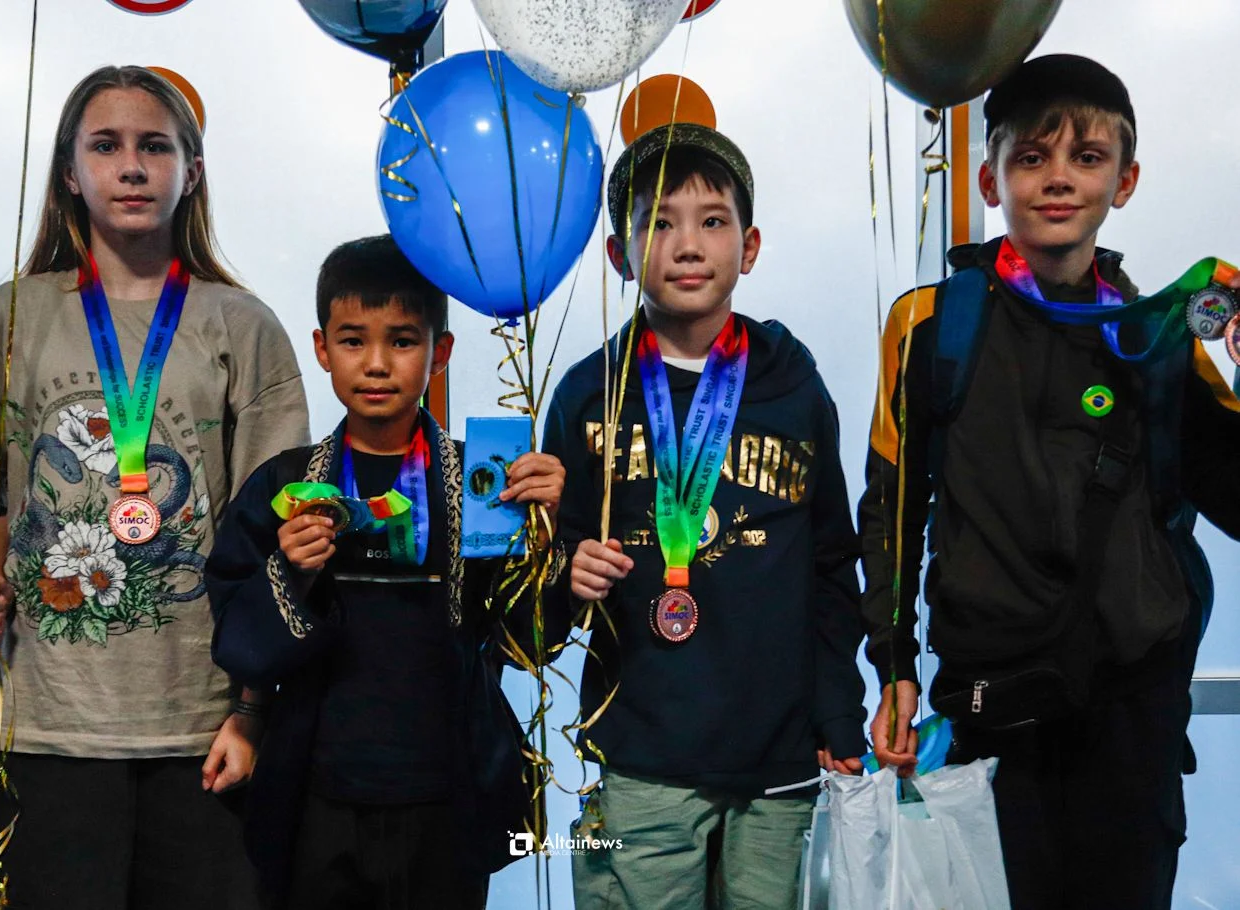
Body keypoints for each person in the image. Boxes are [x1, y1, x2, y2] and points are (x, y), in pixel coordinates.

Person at [859, 54, 1240, 909]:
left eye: (1087, 158)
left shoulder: (1159, 337)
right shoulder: (933, 325)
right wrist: (893, 663)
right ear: (990, 179)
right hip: (992, 709)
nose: (1058, 179)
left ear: (1125, 181)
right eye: (1031, 157)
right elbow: (891, 509)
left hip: (1131, 714)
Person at [0, 65, 310, 909]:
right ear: (70, 172)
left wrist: (252, 709)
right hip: (40, 727)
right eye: (105, 146)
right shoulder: (8, 317)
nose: (133, 167)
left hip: (202, 730)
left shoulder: (242, 325)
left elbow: (273, 540)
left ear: (194, 168)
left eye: (156, 147)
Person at [542, 122, 868, 907]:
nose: (687, 245)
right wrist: (567, 572)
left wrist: (839, 713)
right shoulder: (589, 394)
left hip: (779, 756)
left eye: (712, 221)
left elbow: (831, 561)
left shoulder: (794, 386)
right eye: (659, 223)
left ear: (748, 247)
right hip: (642, 757)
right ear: (620, 255)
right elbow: (545, 588)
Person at [206, 234, 568, 909]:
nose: (376, 363)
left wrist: (548, 533)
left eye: (402, 341)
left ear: (440, 352)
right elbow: (236, 636)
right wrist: (290, 570)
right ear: (322, 349)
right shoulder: (285, 485)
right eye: (353, 341)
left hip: (446, 795)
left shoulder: (486, 489)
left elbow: (531, 640)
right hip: (316, 794)